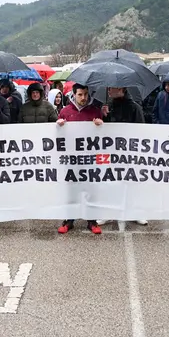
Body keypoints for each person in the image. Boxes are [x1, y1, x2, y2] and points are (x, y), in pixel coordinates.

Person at [56, 83, 104, 235]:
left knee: (91, 189)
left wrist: (100, 125)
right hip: (71, 159)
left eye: (85, 94)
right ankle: (69, 220)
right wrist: (58, 127)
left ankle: (92, 221)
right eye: (80, 95)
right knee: (71, 190)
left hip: (89, 159)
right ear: (73, 94)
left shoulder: (95, 111)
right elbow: (58, 137)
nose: (83, 98)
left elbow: (103, 136)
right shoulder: (65, 111)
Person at [97, 87, 148, 227]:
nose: (108, 91)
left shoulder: (134, 108)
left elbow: (140, 130)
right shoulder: (107, 107)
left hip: (128, 153)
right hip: (111, 152)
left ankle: (135, 212)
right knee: (109, 182)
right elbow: (102, 131)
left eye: (111, 88)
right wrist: (103, 117)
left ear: (121, 89)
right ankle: (108, 213)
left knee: (131, 183)